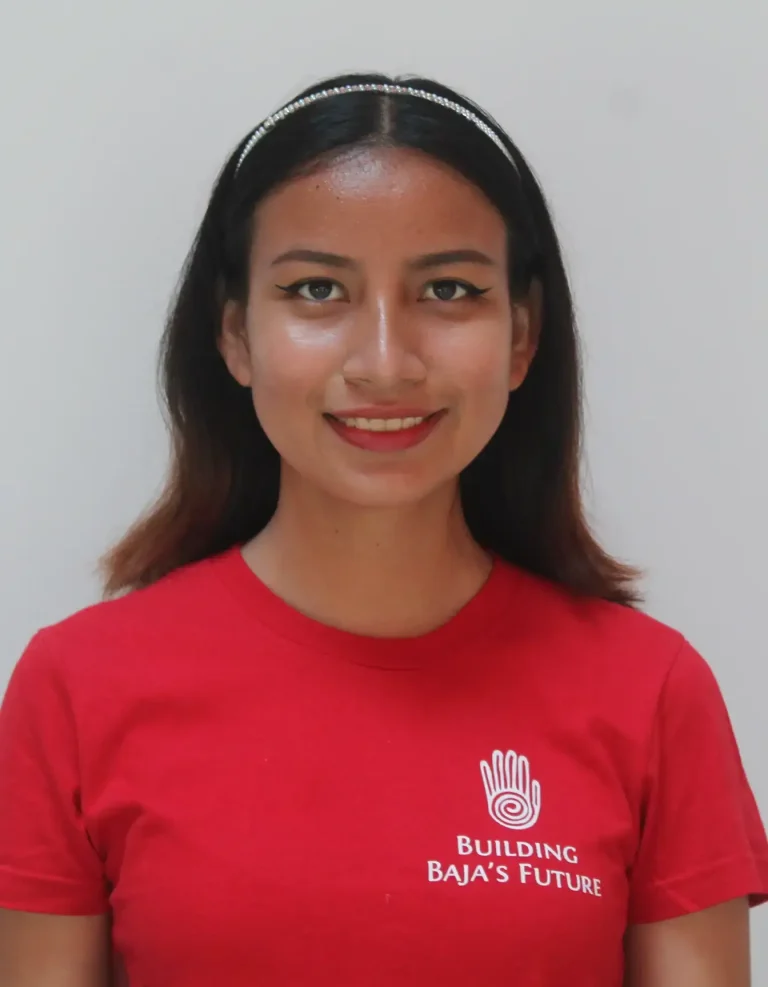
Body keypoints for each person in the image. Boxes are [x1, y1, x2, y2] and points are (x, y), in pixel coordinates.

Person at [0, 71, 766, 987]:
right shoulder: (76, 689)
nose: (385, 361)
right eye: (317, 289)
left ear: (522, 336)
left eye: (447, 289)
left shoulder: (651, 693)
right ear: (235, 334)